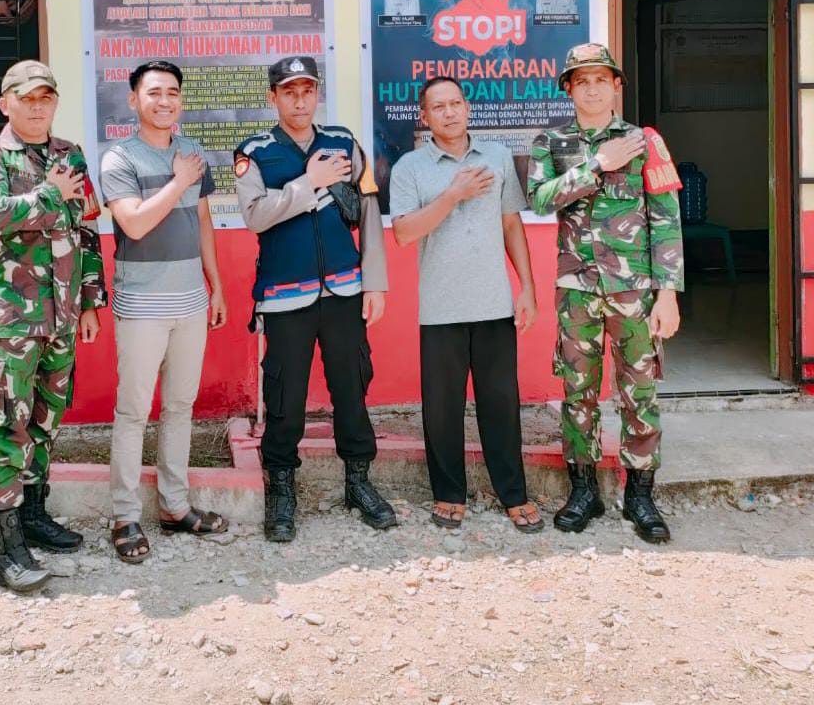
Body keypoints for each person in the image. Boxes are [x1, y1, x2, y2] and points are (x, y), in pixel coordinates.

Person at [234, 56, 397, 542]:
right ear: (273, 98)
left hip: (345, 290)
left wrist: (375, 280)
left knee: (352, 386)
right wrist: (310, 182)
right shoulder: (255, 151)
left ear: (317, 94)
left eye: (307, 90)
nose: (300, 101)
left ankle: (358, 482)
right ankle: (282, 489)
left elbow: (368, 209)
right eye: (289, 92)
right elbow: (255, 216)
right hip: (286, 298)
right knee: (285, 396)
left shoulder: (343, 142)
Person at [526, 44, 684, 544]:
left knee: (640, 392)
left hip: (634, 290)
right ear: (569, 89)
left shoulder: (644, 142)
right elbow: (539, 199)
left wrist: (668, 294)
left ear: (616, 86)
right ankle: (584, 491)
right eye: (582, 81)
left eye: (601, 79)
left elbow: (665, 220)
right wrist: (596, 164)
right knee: (579, 392)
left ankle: (640, 494)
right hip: (577, 290)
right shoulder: (550, 142)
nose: (592, 89)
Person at [0, 60, 108, 592]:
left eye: (45, 98)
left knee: (46, 419)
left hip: (62, 317)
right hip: (10, 320)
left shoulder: (70, 154)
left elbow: (87, 230)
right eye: (26, 98)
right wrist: (49, 193)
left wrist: (90, 302)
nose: (36, 107)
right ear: (5, 103)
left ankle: (32, 515)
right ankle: (4, 552)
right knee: (5, 426)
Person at [390, 77, 542, 533]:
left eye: (456, 103)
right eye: (439, 106)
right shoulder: (410, 167)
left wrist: (527, 288)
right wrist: (453, 194)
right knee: (442, 409)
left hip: (493, 303)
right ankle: (448, 494)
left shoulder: (496, 156)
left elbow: (512, 225)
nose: (450, 112)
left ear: (467, 108)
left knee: (501, 404)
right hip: (441, 308)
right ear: (424, 117)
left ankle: (513, 494)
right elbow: (404, 233)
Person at [99, 60, 230, 564]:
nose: (164, 100)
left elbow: (203, 221)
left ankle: (175, 506)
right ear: (134, 100)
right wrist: (177, 182)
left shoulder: (193, 153)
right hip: (141, 305)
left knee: (180, 407)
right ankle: (124, 516)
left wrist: (216, 286)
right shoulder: (119, 158)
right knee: (133, 411)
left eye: (172, 92)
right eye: (154, 92)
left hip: (191, 302)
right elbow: (133, 224)